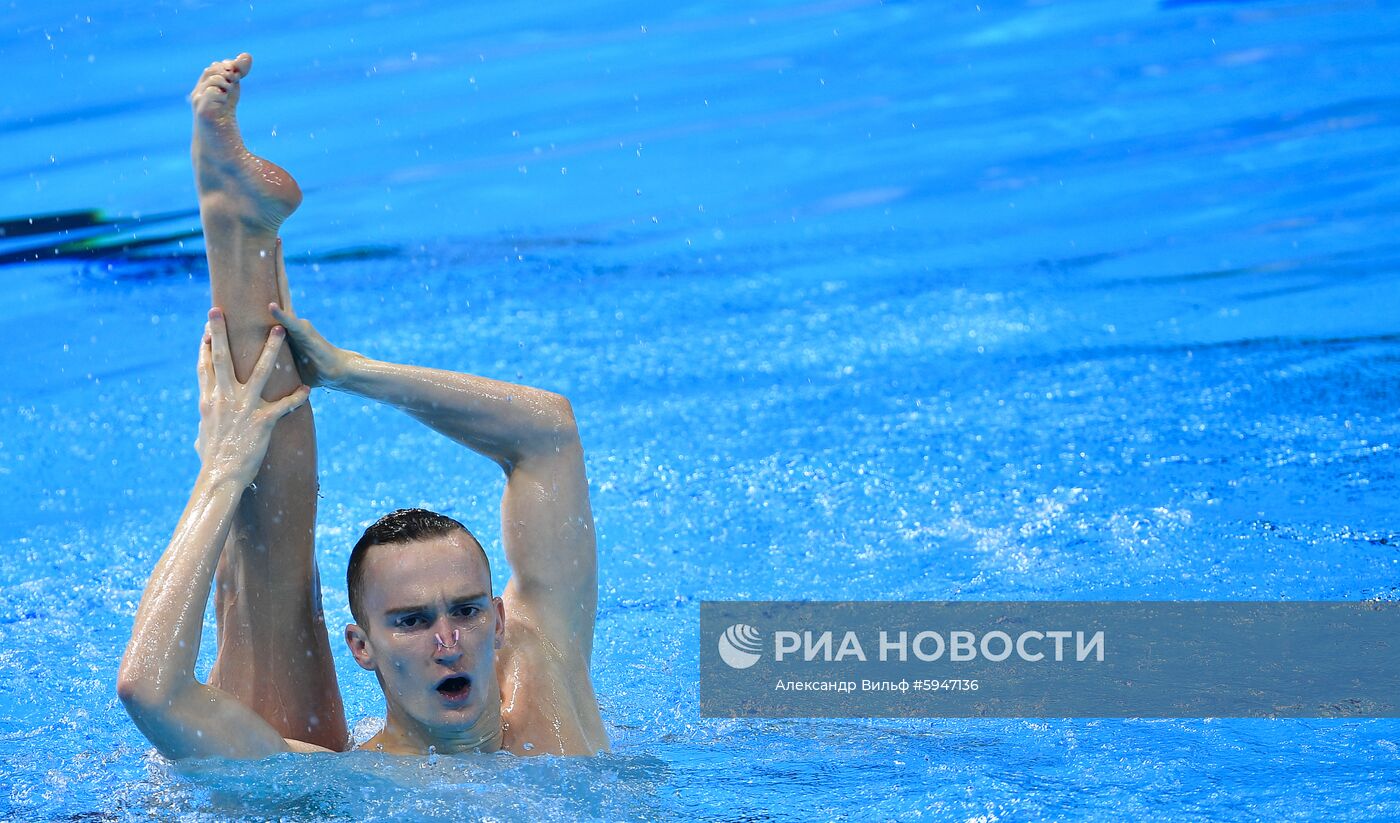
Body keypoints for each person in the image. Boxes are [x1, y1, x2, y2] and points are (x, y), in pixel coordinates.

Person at [116, 54, 608, 758]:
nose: (448, 642)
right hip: (293, 782)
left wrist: (352, 372)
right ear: (362, 646)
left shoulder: (545, 683)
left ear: (498, 619)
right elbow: (150, 691)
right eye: (411, 621)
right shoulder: (343, 784)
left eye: (467, 611)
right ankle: (235, 229)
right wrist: (221, 470)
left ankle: (241, 229)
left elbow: (549, 432)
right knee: (271, 600)